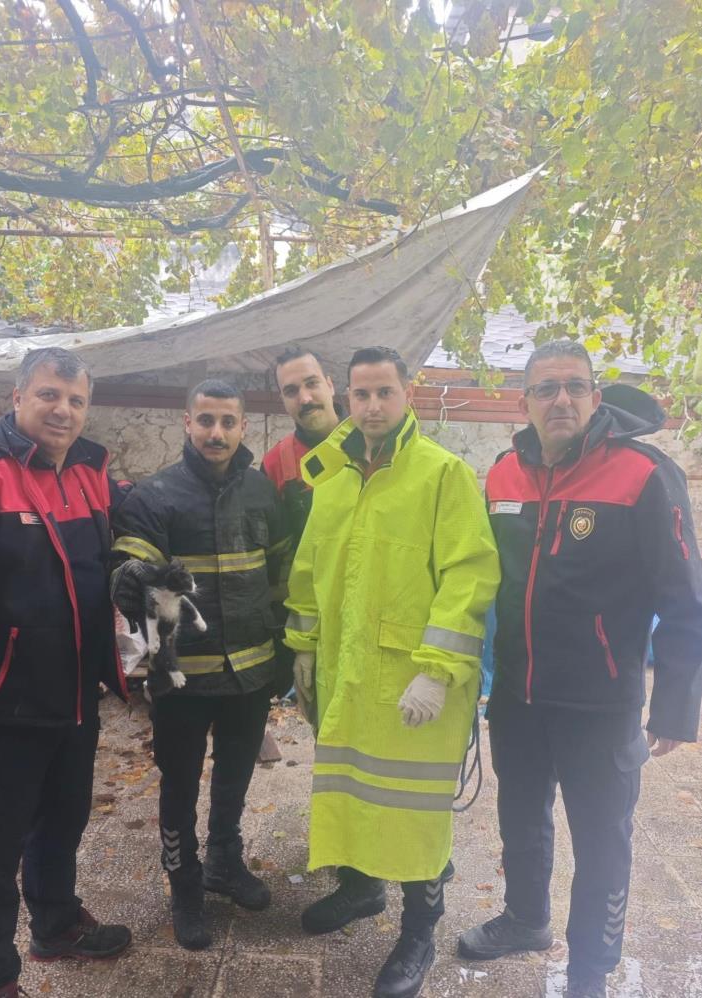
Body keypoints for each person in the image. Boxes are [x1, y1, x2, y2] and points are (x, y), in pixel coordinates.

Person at [458, 340, 702, 998]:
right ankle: (525, 920)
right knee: (520, 817)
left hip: (602, 701)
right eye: (546, 388)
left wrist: (676, 706)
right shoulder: (502, 474)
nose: (560, 399)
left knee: (601, 841)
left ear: (595, 397)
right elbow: (486, 584)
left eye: (574, 386)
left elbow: (684, 599)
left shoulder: (644, 475)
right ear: (525, 402)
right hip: (518, 695)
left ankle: (591, 969)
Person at [284, 346, 500, 998]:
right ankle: (360, 890)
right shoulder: (332, 478)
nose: (372, 406)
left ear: (408, 393)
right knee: (348, 793)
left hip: (414, 689)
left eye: (384, 392)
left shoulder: (441, 474)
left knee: (410, 811)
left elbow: (469, 574)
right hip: (345, 676)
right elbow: (308, 568)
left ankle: (418, 929)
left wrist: (437, 670)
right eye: (361, 394)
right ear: (345, 399)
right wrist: (301, 643)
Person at [0, 347, 132, 998]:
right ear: (17, 397)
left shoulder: (88, 474)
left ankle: (55, 927)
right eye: (50, 395)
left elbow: (139, 526)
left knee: (61, 825)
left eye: (76, 400)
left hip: (74, 702)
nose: (63, 410)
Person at [110, 379, 290, 952]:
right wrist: (127, 579)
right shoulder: (154, 495)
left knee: (234, 782)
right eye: (206, 420)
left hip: (250, 675)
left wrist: (286, 656)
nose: (217, 432)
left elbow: (284, 580)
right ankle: (184, 885)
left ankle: (224, 865)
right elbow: (128, 571)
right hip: (181, 680)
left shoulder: (264, 494)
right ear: (187, 423)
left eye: (228, 422)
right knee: (180, 786)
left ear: (242, 427)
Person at [262, 346, 342, 546]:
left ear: (330, 385)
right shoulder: (275, 464)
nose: (305, 398)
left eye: (312, 383)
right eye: (291, 391)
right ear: (283, 401)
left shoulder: (374, 444)